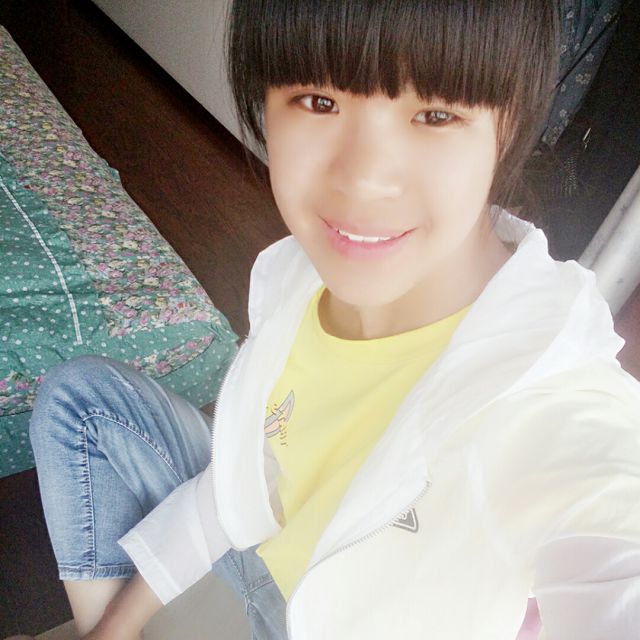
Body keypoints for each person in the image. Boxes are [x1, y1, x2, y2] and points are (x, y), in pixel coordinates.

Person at [23, 1, 640, 639]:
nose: (364, 181)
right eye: (319, 101)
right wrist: (113, 629)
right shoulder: (300, 278)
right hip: (258, 556)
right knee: (79, 401)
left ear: (508, 127)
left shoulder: (553, 399)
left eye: (435, 115)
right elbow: (246, 477)